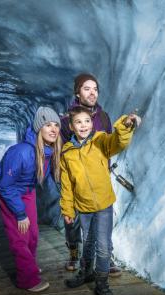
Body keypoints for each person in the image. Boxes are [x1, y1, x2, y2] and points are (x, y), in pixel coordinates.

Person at [60, 106, 141, 295]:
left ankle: (102, 284)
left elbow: (118, 142)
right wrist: (68, 209)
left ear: (92, 123)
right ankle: (86, 272)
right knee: (87, 242)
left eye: (87, 121)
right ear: (71, 126)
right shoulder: (67, 152)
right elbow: (67, 184)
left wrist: (124, 125)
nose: (83, 125)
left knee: (103, 247)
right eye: (78, 122)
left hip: (103, 205)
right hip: (84, 207)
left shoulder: (100, 140)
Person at [0, 106, 62, 292]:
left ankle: (29, 265)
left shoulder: (48, 151)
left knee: (32, 233)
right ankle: (27, 279)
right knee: (19, 237)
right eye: (48, 125)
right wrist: (20, 213)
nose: (53, 129)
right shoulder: (21, 152)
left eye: (56, 125)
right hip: (11, 193)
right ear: (39, 127)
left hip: (28, 191)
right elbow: (5, 186)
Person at [60, 73, 122, 277]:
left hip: (98, 177)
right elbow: (63, 150)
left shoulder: (103, 117)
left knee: (102, 219)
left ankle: (106, 256)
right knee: (74, 221)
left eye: (95, 88)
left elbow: (109, 144)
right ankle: (74, 252)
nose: (92, 92)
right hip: (76, 178)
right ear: (78, 92)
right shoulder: (66, 120)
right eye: (87, 88)